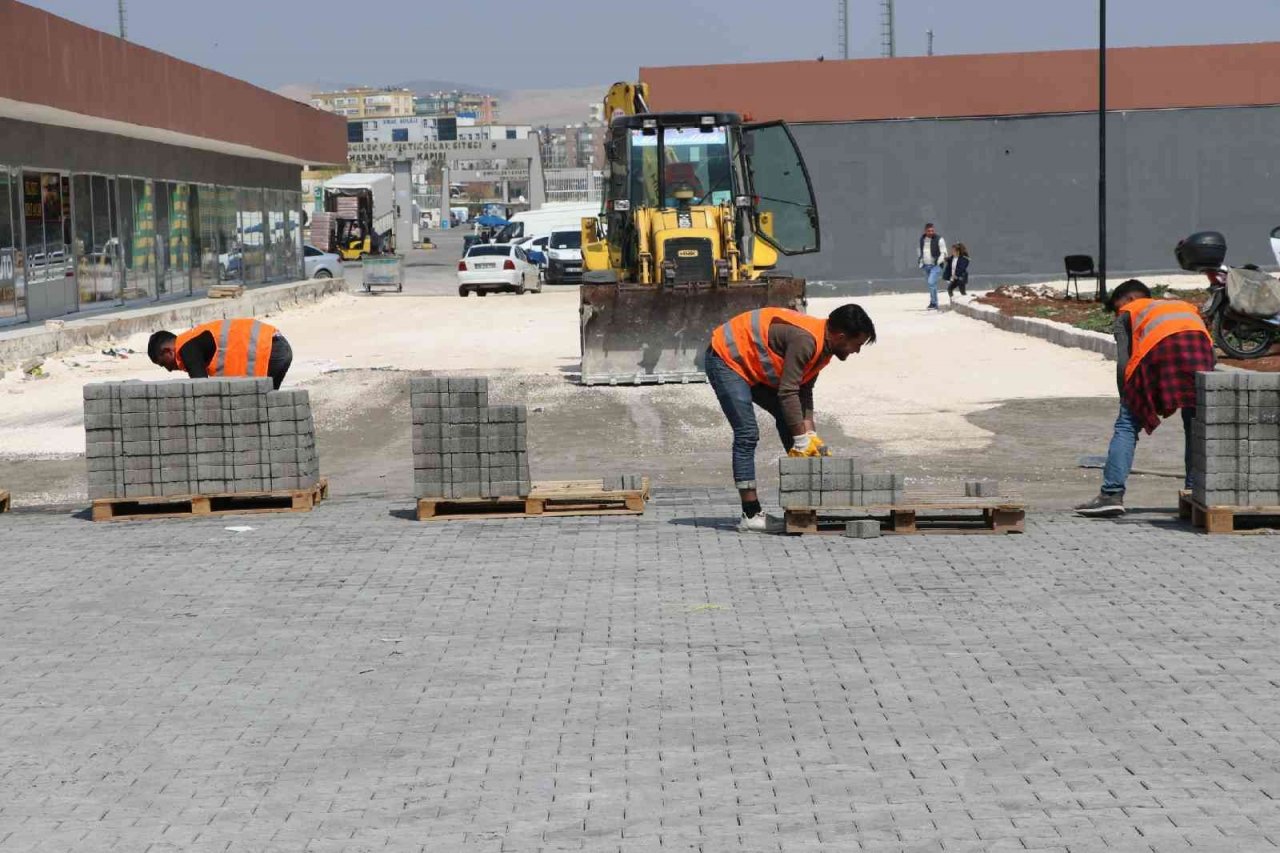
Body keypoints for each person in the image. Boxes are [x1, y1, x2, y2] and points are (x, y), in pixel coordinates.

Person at [706, 305, 877, 532]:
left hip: (751, 365)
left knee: (794, 422)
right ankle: (750, 514)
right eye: (857, 344)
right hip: (727, 359)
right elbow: (787, 392)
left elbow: (803, 392)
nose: (857, 351)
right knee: (747, 434)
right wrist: (800, 439)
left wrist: (810, 436)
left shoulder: (824, 348)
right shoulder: (806, 341)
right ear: (841, 336)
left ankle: (799, 509)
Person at [1075, 279, 1215, 517]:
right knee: (1196, 427)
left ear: (1130, 299)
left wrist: (1126, 398)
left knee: (1127, 425)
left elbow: (1123, 362)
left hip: (1159, 352)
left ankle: (1111, 495)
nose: (1117, 314)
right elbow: (1208, 347)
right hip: (1200, 354)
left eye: (1118, 307)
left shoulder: (1130, 311)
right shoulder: (1184, 307)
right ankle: (1194, 494)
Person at [148, 319, 294, 390]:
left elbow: (202, 389)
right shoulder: (193, 340)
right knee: (269, 404)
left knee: (256, 405)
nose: (168, 369)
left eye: (163, 363)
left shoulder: (187, 349)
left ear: (168, 351)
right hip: (276, 343)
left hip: (270, 349)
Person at [918, 222, 947, 310]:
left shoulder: (939, 239)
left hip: (936, 265)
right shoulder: (922, 239)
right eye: (929, 231)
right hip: (926, 265)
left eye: (932, 231)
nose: (931, 232)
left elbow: (944, 252)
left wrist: (938, 262)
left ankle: (934, 303)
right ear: (925, 231)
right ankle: (933, 303)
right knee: (932, 284)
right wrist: (920, 261)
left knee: (931, 282)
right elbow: (921, 250)